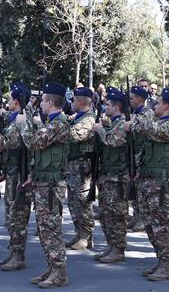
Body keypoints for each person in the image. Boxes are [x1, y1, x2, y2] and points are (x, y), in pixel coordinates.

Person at [126, 89, 169, 281]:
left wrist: (136, 118)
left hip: (163, 185)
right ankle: (161, 260)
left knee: (162, 225)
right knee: (150, 224)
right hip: (149, 182)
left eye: (157, 103)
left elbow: (150, 129)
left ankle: (167, 266)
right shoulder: (158, 123)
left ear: (166, 106)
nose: (154, 106)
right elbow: (145, 150)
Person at [19, 83, 70, 288]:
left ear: (50, 102)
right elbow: (41, 154)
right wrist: (33, 175)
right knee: (44, 229)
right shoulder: (51, 122)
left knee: (51, 229)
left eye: (42, 101)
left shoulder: (59, 124)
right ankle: (52, 267)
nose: (40, 104)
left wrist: (24, 123)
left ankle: (60, 272)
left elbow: (33, 143)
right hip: (42, 181)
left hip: (51, 185)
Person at [0, 83, 32, 271]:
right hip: (13, 173)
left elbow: (5, 145)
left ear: (16, 101)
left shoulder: (21, 121)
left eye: (9, 99)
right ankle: (13, 252)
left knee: (18, 217)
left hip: (20, 176)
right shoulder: (15, 120)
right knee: (11, 217)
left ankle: (18, 256)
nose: (7, 102)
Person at [91, 89, 129, 264]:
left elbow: (113, 141)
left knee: (117, 215)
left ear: (116, 107)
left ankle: (119, 249)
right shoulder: (113, 124)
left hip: (118, 177)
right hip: (107, 175)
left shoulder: (121, 124)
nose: (106, 107)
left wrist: (100, 130)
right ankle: (111, 245)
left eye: (108, 104)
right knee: (106, 213)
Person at [64, 87, 96, 250]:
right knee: (72, 201)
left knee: (82, 201)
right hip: (72, 165)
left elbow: (76, 136)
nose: (72, 103)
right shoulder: (79, 117)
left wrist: (61, 124)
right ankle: (79, 232)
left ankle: (86, 236)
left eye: (74, 100)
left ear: (82, 101)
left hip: (82, 166)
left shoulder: (89, 119)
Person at [127, 86, 155, 232]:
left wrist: (130, 126)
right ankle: (136, 215)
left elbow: (144, 130)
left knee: (140, 189)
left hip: (141, 154)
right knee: (133, 185)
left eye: (132, 98)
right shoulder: (134, 113)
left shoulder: (147, 113)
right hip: (133, 152)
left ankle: (143, 219)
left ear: (139, 99)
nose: (130, 101)